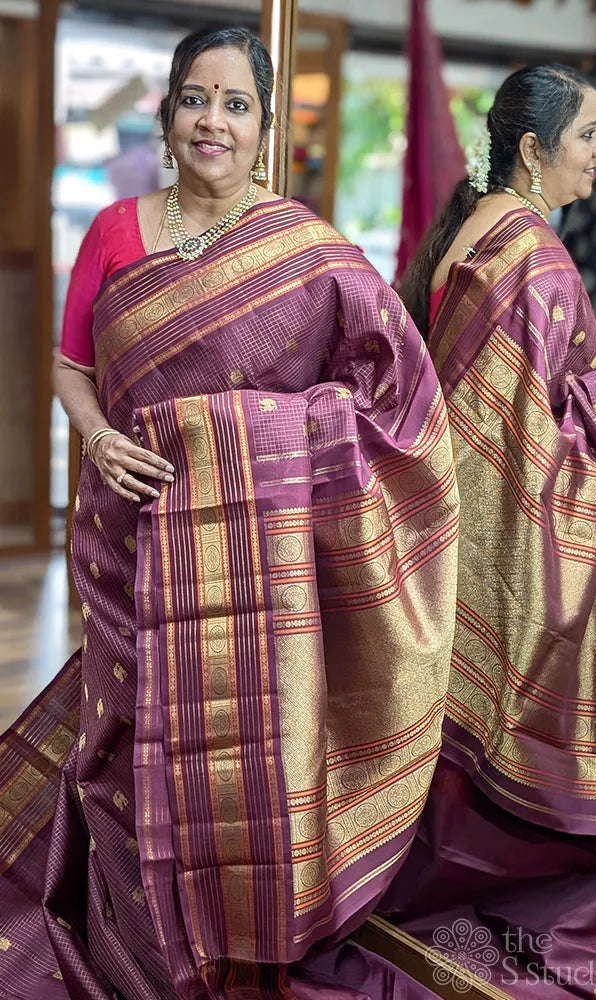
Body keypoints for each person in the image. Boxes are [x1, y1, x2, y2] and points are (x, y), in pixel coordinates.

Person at [0, 26, 458, 1000]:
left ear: (261, 131)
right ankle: (131, 952)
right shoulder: (115, 230)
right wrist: (94, 435)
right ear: (167, 118)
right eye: (197, 99)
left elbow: (396, 399)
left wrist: (247, 437)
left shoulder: (305, 250)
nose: (214, 120)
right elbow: (73, 365)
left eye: (237, 104)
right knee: (122, 746)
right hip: (126, 543)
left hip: (250, 573)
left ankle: (225, 937)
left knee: (230, 764)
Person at [382, 64, 596, 998]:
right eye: (588, 135)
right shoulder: (533, 259)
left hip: (448, 530)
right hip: (503, 534)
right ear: (534, 151)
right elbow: (527, 455)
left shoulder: (480, 231)